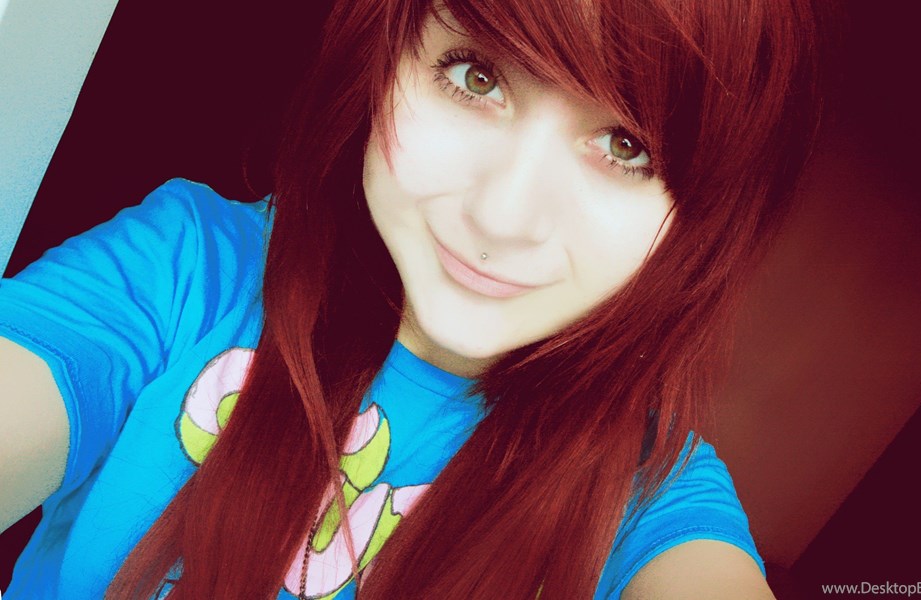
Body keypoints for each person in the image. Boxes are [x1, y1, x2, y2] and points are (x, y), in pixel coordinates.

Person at [0, 0, 825, 597]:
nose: (502, 217)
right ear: (385, 56)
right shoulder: (186, 270)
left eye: (626, 145)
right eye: (476, 76)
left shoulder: (646, 499)